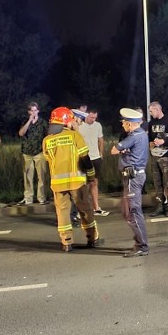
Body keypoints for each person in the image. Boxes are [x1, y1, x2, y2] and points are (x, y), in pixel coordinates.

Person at [42, 107, 103, 253]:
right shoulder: (74, 136)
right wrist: (90, 174)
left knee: (62, 213)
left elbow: (49, 160)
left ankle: (66, 242)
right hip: (76, 182)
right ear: (66, 121)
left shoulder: (47, 140)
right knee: (85, 210)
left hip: (57, 184)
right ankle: (92, 238)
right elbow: (84, 157)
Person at [111, 107, 150, 257]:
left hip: (132, 178)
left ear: (129, 124)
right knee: (127, 211)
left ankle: (142, 246)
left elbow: (114, 150)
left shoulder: (134, 136)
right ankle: (139, 243)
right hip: (134, 176)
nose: (122, 125)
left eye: (124, 123)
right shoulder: (141, 134)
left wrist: (122, 150)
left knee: (133, 212)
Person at [78, 105, 108, 216]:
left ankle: (96, 207)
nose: (93, 120)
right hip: (83, 158)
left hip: (95, 158)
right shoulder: (80, 126)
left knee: (94, 182)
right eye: (91, 117)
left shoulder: (98, 125)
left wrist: (101, 154)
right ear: (87, 115)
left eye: (95, 117)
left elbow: (101, 140)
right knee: (83, 184)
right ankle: (83, 208)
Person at [17, 102, 48, 205]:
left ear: (38, 111)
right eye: (31, 110)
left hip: (39, 151)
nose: (33, 112)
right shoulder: (25, 121)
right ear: (29, 112)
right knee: (28, 176)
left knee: (41, 176)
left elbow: (47, 136)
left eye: (35, 110)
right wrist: (29, 121)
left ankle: (41, 198)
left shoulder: (43, 122)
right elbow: (21, 133)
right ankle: (28, 197)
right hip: (27, 152)